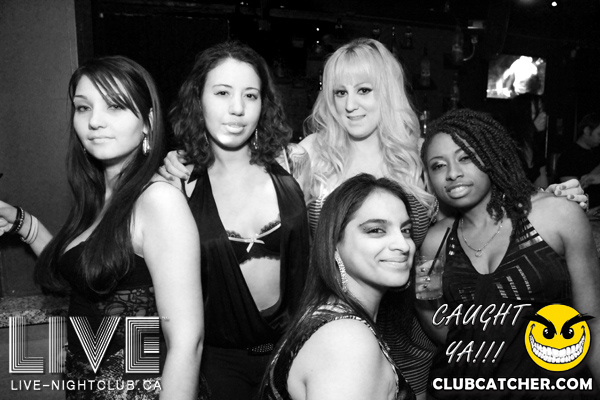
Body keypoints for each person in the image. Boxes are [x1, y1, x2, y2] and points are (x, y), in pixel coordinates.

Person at [162, 39, 587, 398]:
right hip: (330, 332)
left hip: (411, 335)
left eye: (364, 90)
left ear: (386, 91)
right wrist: (177, 165)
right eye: (339, 93)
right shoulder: (305, 157)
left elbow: (481, 197)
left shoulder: (422, 159)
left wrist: (547, 196)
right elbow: (236, 172)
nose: (350, 105)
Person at [0, 56, 204, 399]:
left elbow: (187, 343)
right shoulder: (100, 196)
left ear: (147, 123)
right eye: (83, 107)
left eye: (115, 106)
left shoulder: (158, 201)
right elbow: (87, 278)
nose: (95, 121)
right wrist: (24, 223)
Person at [418, 109, 600, 399]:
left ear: (492, 156)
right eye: (438, 166)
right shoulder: (433, 242)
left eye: (466, 158)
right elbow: (429, 311)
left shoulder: (558, 215)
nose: (452, 173)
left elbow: (593, 323)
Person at [167, 41, 310, 400]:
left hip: (294, 353)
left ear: (264, 104)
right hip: (218, 367)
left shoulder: (293, 164)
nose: (237, 108)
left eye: (250, 95)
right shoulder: (177, 185)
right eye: (222, 93)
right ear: (198, 99)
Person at [261, 174, 416, 400]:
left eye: (406, 230)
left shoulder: (329, 314)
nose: (403, 245)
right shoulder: (346, 342)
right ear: (334, 242)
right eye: (376, 230)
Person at [556, 112, 600, 209]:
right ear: (587, 131)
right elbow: (571, 191)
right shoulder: (569, 155)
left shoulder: (596, 152)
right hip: (583, 211)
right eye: (599, 134)